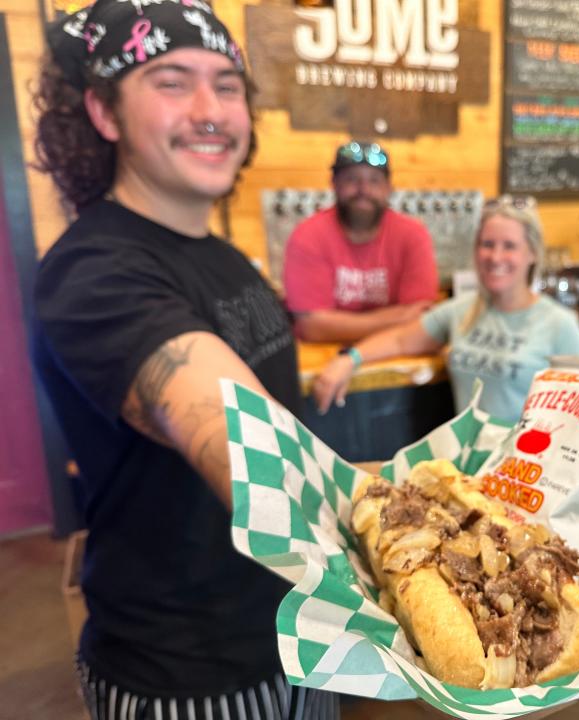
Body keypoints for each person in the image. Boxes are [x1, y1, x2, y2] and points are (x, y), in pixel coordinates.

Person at [31, 2, 338, 718]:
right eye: (172, 82)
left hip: (296, 635)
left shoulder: (222, 257)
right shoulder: (93, 272)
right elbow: (251, 448)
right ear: (104, 113)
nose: (211, 111)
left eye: (227, 86)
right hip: (184, 672)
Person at [313, 195, 579, 424]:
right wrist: (349, 359)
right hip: (468, 469)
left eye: (509, 246)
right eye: (487, 244)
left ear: (533, 254)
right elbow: (400, 339)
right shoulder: (462, 311)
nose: (495, 257)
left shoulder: (560, 325)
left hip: (524, 472)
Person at [282, 140, 439, 343]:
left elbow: (421, 317)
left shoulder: (413, 234)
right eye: (352, 179)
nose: (363, 189)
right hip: (322, 365)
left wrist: (336, 325)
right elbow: (312, 327)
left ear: (389, 188)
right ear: (334, 184)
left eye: (374, 180)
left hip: (395, 355)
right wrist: (398, 317)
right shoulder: (307, 236)